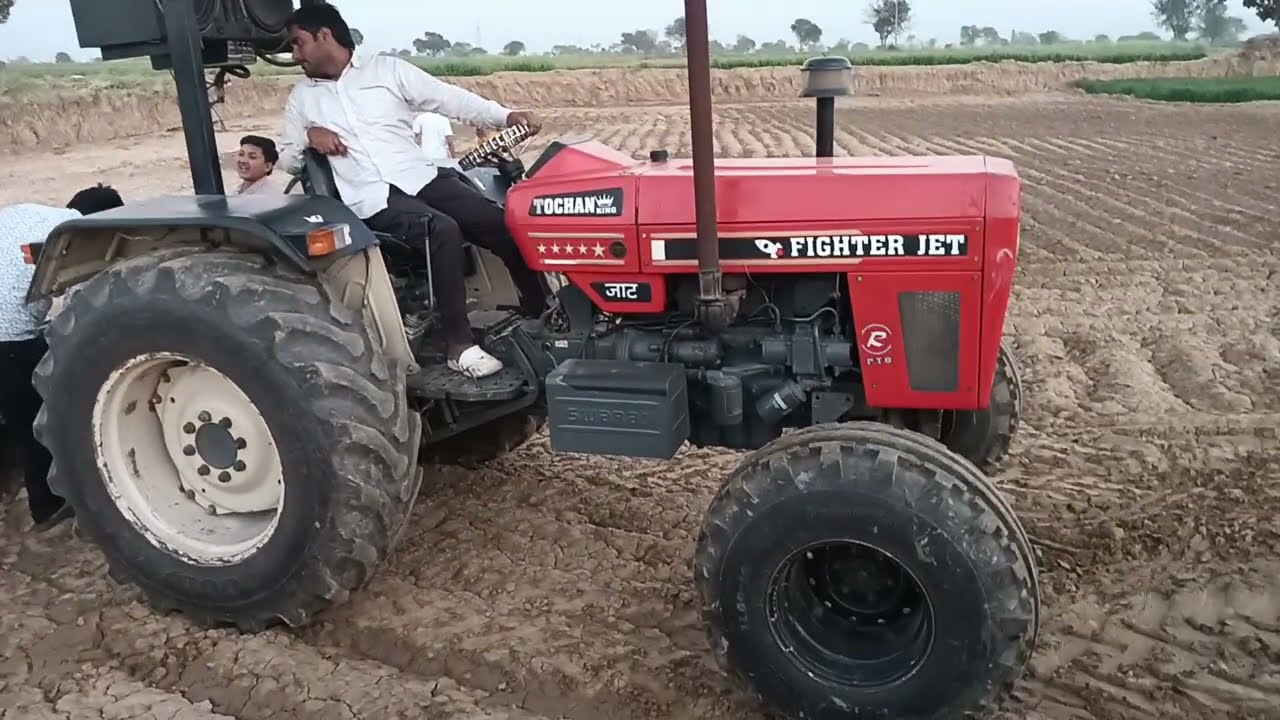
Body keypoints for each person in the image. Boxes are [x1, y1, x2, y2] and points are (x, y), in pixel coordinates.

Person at [276, 3, 548, 379]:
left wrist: (505, 116)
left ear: (324, 35)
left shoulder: (386, 71)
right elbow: (288, 159)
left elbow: (448, 98)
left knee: (499, 222)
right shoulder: (302, 98)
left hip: (418, 176)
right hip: (371, 195)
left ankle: (542, 313)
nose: (295, 55)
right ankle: (459, 346)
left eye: (298, 43)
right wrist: (311, 135)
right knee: (441, 229)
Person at [0, 183, 124, 531]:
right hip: (8, 340)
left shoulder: (24, 211)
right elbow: (83, 305)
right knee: (36, 422)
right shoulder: (77, 239)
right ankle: (47, 505)